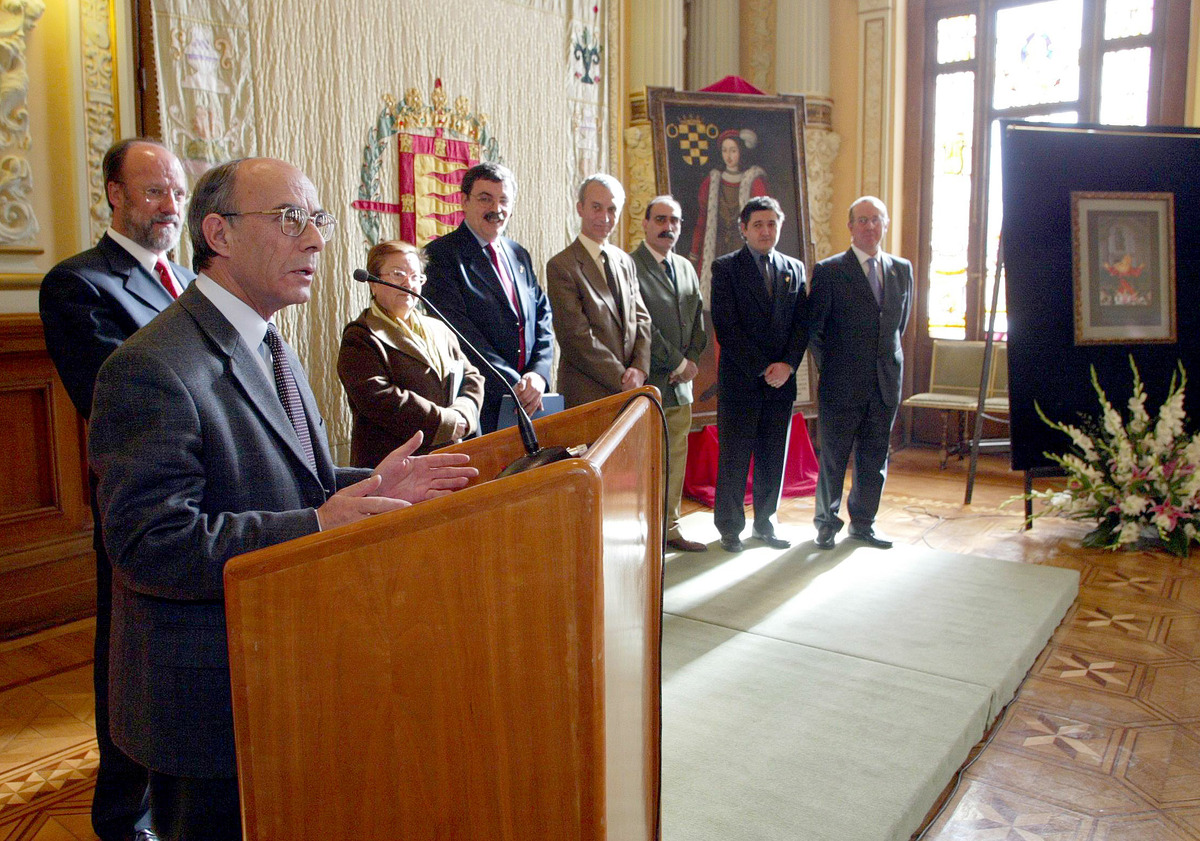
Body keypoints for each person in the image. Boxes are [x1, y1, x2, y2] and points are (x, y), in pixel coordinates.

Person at [87, 157, 477, 841]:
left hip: (285, 667)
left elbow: (295, 477)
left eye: (318, 219)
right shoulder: (151, 366)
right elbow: (150, 543)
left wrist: (370, 486)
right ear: (219, 232)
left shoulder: (270, 340)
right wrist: (319, 522)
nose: (317, 240)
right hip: (207, 698)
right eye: (290, 218)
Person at [39, 137, 195, 841]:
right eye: (155, 191)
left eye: (178, 193)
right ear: (115, 194)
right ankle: (121, 814)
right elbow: (110, 397)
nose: (170, 206)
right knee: (128, 659)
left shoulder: (190, 280)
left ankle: (185, 793)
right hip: (143, 502)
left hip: (209, 492)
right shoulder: (79, 284)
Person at [809, 196, 913, 550]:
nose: (870, 226)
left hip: (885, 383)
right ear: (850, 227)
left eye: (876, 219)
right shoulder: (830, 271)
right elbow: (816, 332)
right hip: (841, 383)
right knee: (834, 458)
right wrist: (836, 368)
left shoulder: (902, 269)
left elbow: (899, 324)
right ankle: (826, 523)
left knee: (874, 457)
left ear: (885, 224)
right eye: (862, 220)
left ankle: (864, 523)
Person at [423, 162, 554, 433]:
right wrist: (516, 383)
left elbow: (542, 315)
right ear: (464, 202)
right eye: (485, 199)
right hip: (479, 402)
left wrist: (538, 375)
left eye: (504, 200)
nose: (496, 209)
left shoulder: (519, 254)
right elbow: (459, 334)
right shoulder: (440, 256)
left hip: (530, 398)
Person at [710, 196, 808, 553]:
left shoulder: (793, 268)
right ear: (744, 229)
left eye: (771, 224)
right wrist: (762, 367)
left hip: (782, 382)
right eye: (758, 225)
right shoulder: (726, 269)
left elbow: (802, 324)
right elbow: (726, 327)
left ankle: (765, 523)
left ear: (779, 227)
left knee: (772, 455)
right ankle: (730, 528)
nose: (765, 231)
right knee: (734, 457)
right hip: (741, 380)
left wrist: (788, 365)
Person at [338, 239, 485, 467]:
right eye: (398, 274)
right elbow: (380, 399)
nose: (408, 284)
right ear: (373, 283)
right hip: (395, 467)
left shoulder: (439, 328)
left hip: (453, 456)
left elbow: (472, 377)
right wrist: (444, 423)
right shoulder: (361, 336)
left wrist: (464, 415)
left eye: (416, 277)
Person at [630, 195, 708, 552]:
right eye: (660, 219)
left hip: (681, 389)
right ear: (645, 223)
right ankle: (642, 533)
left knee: (676, 460)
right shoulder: (629, 265)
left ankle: (671, 528)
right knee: (644, 463)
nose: (668, 227)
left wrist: (691, 361)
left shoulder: (687, 267)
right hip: (649, 385)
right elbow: (641, 326)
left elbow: (698, 322)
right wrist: (677, 363)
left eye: (674, 221)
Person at [546, 173, 651, 408]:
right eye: (596, 207)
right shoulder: (562, 265)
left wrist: (640, 368)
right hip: (588, 395)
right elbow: (576, 337)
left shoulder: (625, 261)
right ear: (580, 208)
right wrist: (623, 379)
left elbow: (642, 320)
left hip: (632, 393)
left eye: (612, 209)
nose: (605, 217)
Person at [688, 129, 769, 297]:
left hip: (742, 248)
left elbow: (765, 220)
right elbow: (702, 221)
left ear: (741, 151)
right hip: (716, 247)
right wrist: (694, 254)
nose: (728, 156)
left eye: (733, 150)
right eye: (725, 151)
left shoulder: (754, 181)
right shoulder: (712, 181)